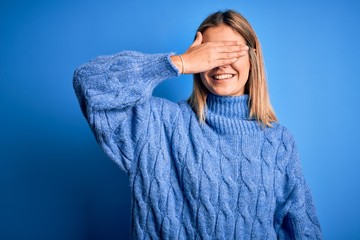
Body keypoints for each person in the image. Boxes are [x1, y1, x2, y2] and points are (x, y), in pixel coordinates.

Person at [73, 9, 322, 239]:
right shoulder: (158, 124)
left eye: (232, 51)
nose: (221, 63)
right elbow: (88, 82)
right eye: (211, 54)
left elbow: (302, 228)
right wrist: (179, 63)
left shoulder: (278, 142)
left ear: (253, 57)